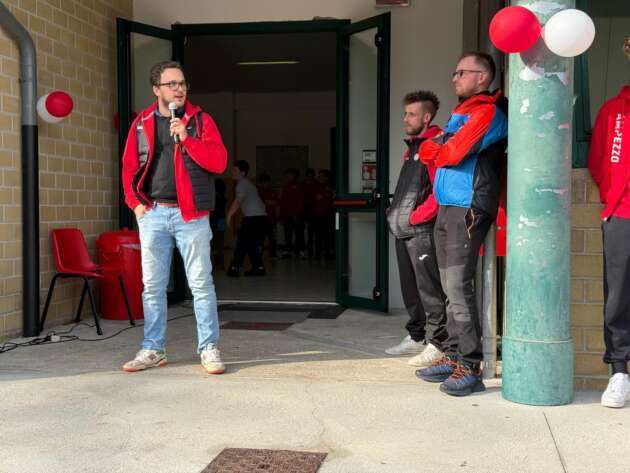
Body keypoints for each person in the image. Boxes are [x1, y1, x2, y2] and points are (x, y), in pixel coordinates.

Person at [121, 60, 227, 374]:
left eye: (182, 83)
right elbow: (129, 167)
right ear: (157, 89)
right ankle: (153, 349)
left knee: (201, 285)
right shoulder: (141, 123)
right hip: (153, 214)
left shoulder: (200, 120)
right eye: (172, 84)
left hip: (190, 216)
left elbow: (219, 162)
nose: (179, 89)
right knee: (153, 287)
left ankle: (208, 348)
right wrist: (136, 205)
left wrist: (187, 138)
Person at [416, 52, 507, 396]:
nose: (454, 78)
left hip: (468, 205)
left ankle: (470, 366)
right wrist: (441, 148)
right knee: (448, 286)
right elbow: (431, 150)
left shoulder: (488, 112)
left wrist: (441, 149)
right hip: (449, 205)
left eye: (461, 73)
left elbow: (451, 153)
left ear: (482, 77)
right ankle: (454, 356)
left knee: (457, 286)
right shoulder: (463, 113)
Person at [385, 90, 448, 369]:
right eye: (405, 113)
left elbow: (439, 189)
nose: (405, 119)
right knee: (410, 289)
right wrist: (394, 213)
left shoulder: (434, 144)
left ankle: (438, 343)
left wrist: (417, 217)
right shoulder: (412, 148)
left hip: (421, 231)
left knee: (429, 290)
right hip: (403, 229)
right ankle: (417, 336)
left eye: (411, 114)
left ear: (426, 117)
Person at [587, 37, 630, 408]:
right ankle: (619, 371)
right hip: (622, 213)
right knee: (618, 296)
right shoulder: (613, 111)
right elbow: (598, 160)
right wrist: (612, 198)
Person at [226, 160, 267, 277]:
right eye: (232, 170)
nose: (232, 172)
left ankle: (235, 268)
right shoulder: (246, 183)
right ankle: (258, 268)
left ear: (243, 173)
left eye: (235, 170)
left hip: (253, 218)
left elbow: (237, 202)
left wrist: (229, 215)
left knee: (242, 243)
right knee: (250, 244)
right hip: (258, 218)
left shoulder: (242, 184)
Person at [279, 168, 305, 258]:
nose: (288, 176)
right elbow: (283, 202)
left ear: (295, 176)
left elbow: (300, 201)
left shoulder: (299, 186)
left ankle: (300, 250)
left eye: (290, 175)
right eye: (287, 175)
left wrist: (296, 213)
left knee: (299, 233)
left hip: (297, 215)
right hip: (287, 215)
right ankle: (288, 251)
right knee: (287, 234)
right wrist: (281, 216)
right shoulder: (286, 186)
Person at [311, 169, 335, 259]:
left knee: (328, 235)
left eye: (322, 176)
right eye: (319, 176)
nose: (319, 178)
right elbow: (313, 199)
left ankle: (328, 252)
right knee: (318, 235)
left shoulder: (331, 187)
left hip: (328, 214)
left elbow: (332, 200)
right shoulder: (315, 187)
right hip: (317, 215)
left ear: (327, 178)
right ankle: (318, 253)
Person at [257, 172, 279, 259]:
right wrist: (269, 202)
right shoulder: (258, 192)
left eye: (266, 182)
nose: (265, 184)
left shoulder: (273, 191)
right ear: (260, 183)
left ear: (269, 182)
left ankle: (273, 254)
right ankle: (259, 254)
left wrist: (268, 202)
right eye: (263, 182)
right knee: (260, 238)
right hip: (261, 219)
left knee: (272, 237)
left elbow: (276, 202)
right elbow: (262, 202)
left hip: (272, 218)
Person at [210, 178, 227, 270]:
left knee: (215, 244)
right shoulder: (223, 198)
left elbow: (213, 212)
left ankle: (217, 263)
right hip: (221, 222)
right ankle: (220, 264)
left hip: (215, 222)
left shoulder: (215, 198)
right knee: (220, 243)